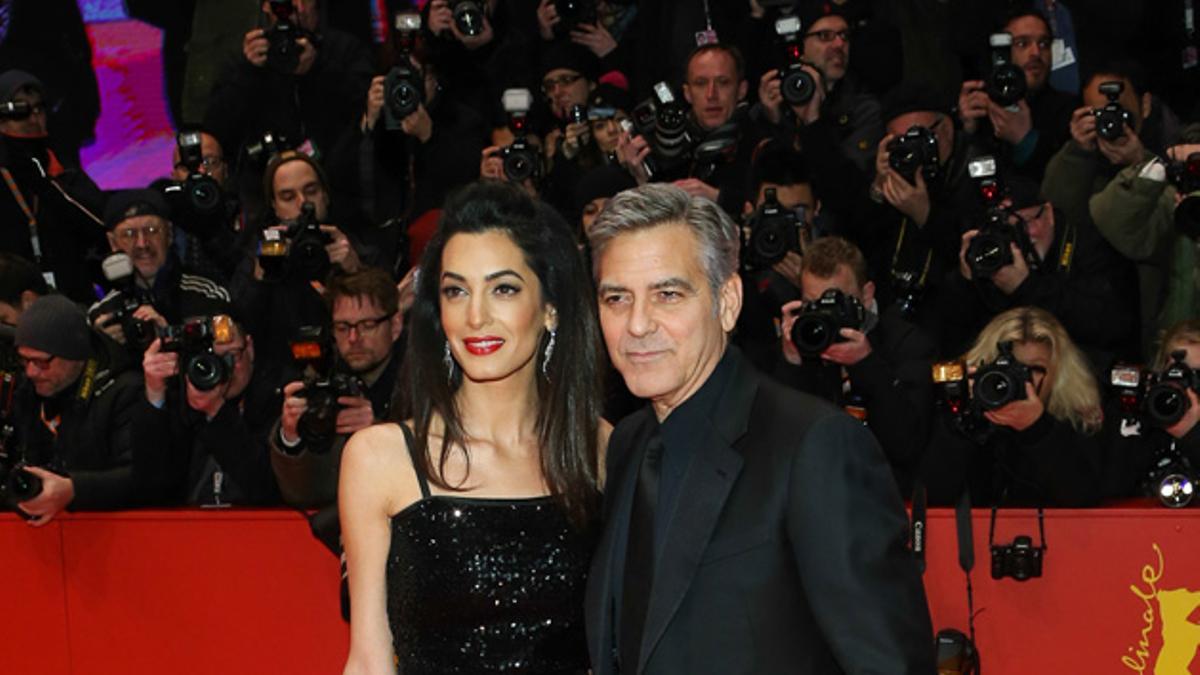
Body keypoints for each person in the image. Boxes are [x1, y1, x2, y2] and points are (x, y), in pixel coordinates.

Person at [584, 183, 933, 674]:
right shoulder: (626, 444)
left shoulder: (815, 447)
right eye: (616, 298)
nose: (637, 324)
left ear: (727, 302)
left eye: (667, 294)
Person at [340, 181, 607, 673]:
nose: (476, 315)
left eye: (503, 288)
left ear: (550, 307)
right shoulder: (381, 458)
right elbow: (369, 660)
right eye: (456, 291)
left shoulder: (600, 448)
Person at [777, 236, 937, 494]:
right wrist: (792, 361)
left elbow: (906, 446)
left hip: (886, 498)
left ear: (866, 294)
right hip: (815, 495)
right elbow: (782, 442)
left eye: (837, 301)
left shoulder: (907, 343)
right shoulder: (806, 339)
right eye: (812, 303)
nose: (824, 314)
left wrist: (866, 365)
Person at [919, 306, 1105, 507]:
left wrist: (1038, 430)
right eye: (1008, 368)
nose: (1019, 380)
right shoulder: (958, 417)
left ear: (1058, 374)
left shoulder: (1078, 419)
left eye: (1034, 369)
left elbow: (1083, 500)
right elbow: (931, 497)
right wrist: (962, 421)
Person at [270, 267, 407, 508]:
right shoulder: (323, 382)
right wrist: (291, 438)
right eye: (343, 328)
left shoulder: (424, 383)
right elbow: (303, 496)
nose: (353, 338)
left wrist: (379, 432)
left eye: (366, 325)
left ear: (395, 326)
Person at [11, 295, 144, 526]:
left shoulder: (125, 391)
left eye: (42, 362)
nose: (31, 372)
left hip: (118, 535)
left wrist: (74, 489)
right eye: (24, 361)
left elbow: (142, 478)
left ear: (74, 355)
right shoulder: (24, 390)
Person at [135, 315, 280, 506]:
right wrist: (154, 393)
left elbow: (267, 488)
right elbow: (149, 488)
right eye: (212, 359)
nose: (224, 370)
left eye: (232, 356)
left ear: (250, 348)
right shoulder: (179, 399)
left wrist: (216, 412)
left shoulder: (277, 396)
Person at [0, 69, 107, 305]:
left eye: (39, 109)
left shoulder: (60, 167)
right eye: (20, 111)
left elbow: (101, 226)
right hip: (11, 308)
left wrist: (44, 184)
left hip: (74, 300)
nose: (33, 118)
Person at [89, 189, 232, 351]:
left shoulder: (209, 294)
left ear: (169, 234)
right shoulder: (102, 313)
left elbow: (232, 352)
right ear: (113, 243)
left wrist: (170, 334)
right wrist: (103, 346)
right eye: (129, 234)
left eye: (152, 230)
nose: (142, 244)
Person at [956, 9, 1076, 182]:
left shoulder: (1068, 111)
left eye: (1043, 44)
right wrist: (966, 132)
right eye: (1022, 44)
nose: (1035, 52)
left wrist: (1026, 141)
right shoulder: (980, 105)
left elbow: (1065, 185)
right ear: (1000, 53)